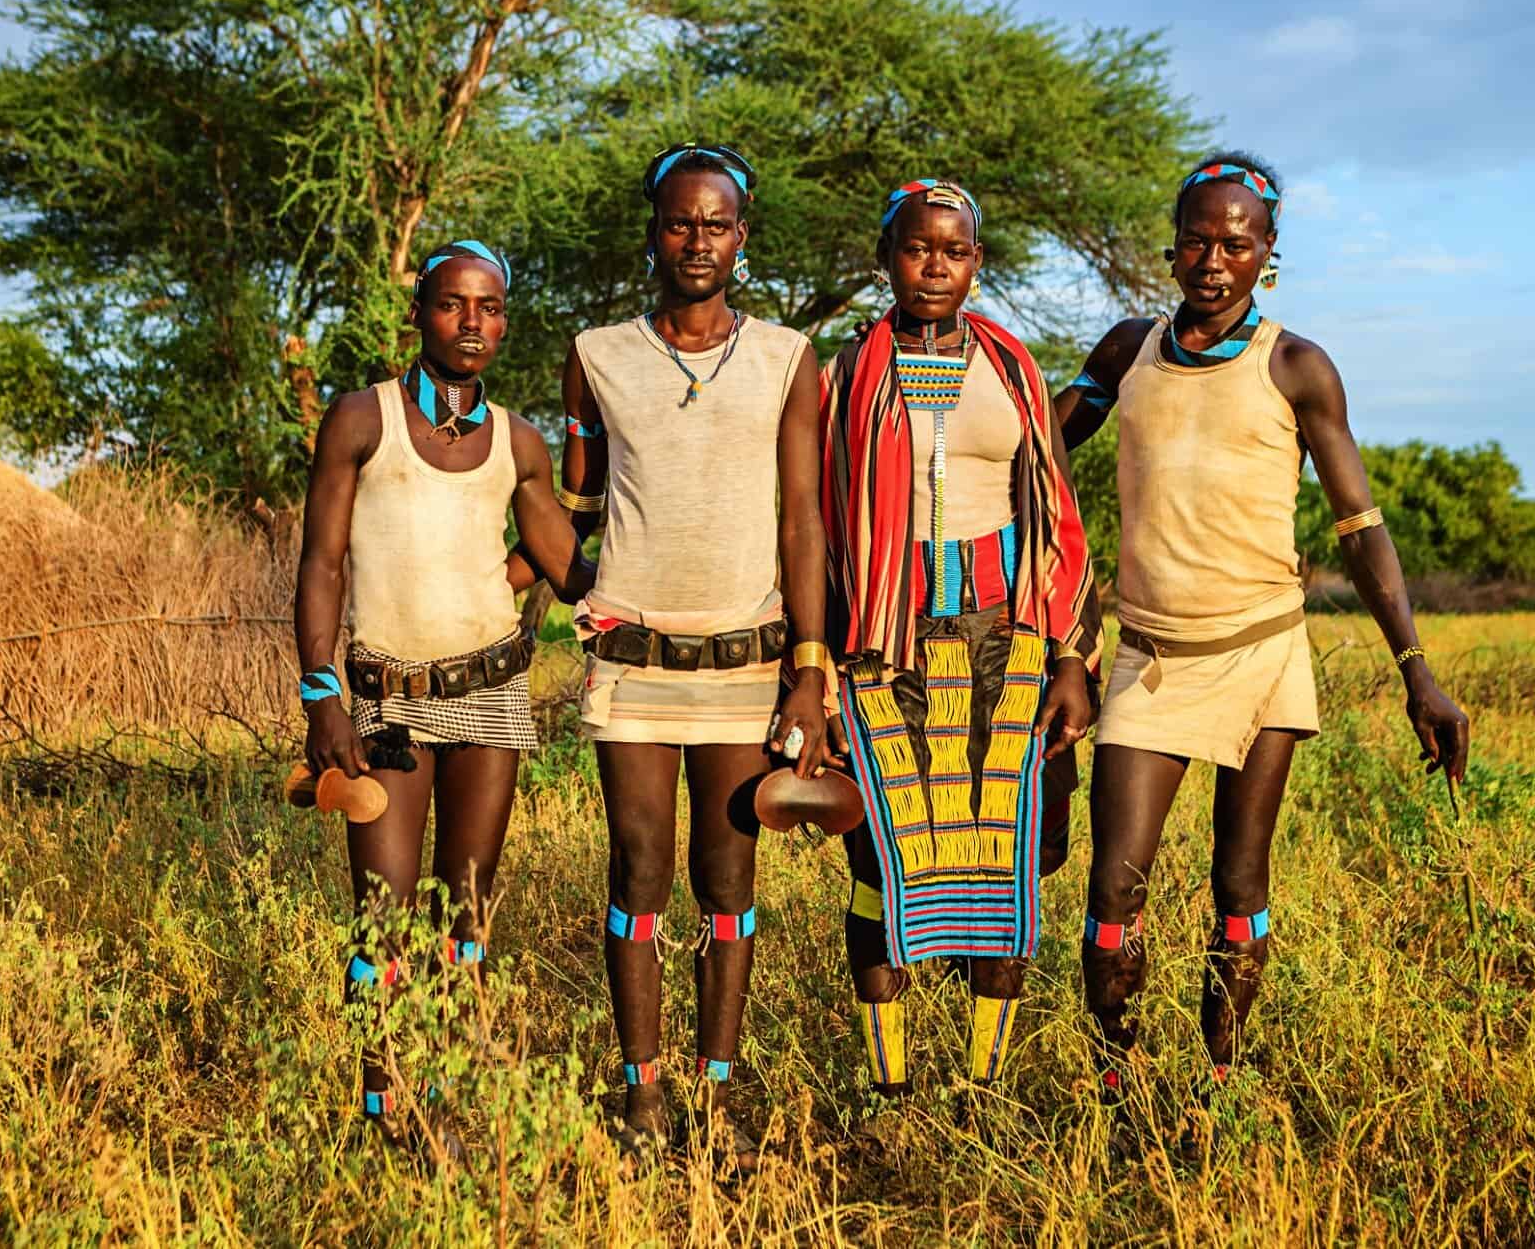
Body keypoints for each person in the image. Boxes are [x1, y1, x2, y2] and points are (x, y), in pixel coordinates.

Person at [1055, 152, 1471, 1108]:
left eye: (1235, 243)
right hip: (1150, 656)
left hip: (1261, 651)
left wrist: (1418, 672)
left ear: (1266, 254)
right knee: (1112, 896)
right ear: (1170, 248)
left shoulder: (1295, 366)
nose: (1214, 258)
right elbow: (1037, 441)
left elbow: (1360, 527)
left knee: (1238, 882)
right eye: (1197, 239)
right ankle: (1120, 1089)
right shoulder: (1129, 351)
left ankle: (1216, 1084)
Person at [557, 143, 829, 1169]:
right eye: (680, 223)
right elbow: (572, 505)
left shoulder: (786, 356)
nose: (698, 241)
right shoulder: (595, 353)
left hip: (747, 666)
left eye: (716, 225)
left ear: (742, 238)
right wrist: (563, 589)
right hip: (632, 671)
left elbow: (801, 519)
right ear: (652, 234)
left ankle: (714, 1093)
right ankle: (641, 1091)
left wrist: (808, 666)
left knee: (726, 877)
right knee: (637, 870)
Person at [294, 240, 595, 1139]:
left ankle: (452, 1091)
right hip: (388, 696)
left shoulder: (522, 441)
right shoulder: (362, 419)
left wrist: (603, 453)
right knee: (381, 918)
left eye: (492, 307)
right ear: (419, 313)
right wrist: (323, 697)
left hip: (493, 694)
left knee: (468, 909)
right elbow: (322, 561)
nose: (474, 323)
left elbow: (568, 571)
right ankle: (387, 1103)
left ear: (506, 320)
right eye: (455, 304)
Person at [820, 179, 1097, 1099]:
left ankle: (980, 1084)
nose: (934, 265)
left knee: (1005, 851)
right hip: (884, 642)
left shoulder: (1011, 366)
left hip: (1001, 635)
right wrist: (814, 668)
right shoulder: (845, 375)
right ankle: (888, 1084)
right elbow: (817, 524)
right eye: (916, 247)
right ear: (885, 255)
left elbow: (1054, 510)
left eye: (954, 250)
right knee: (883, 851)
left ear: (977, 263)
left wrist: (1067, 653)